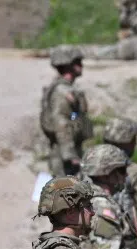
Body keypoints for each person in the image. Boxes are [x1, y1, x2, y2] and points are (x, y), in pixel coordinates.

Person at [40, 47, 93, 177]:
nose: (81, 66)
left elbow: (73, 116)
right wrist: (69, 154)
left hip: (70, 148)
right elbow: (61, 121)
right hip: (64, 154)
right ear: (68, 65)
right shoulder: (62, 92)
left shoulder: (67, 89)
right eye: (77, 62)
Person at [102, 117, 137, 235]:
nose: (135, 143)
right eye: (133, 140)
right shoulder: (135, 173)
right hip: (123, 240)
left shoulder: (87, 166)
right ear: (126, 142)